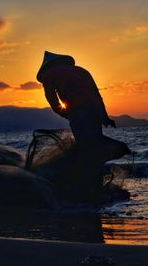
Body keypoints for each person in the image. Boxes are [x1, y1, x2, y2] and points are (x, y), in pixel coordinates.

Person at [37, 51, 116, 203]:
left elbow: (53, 100)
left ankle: (88, 188)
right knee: (95, 145)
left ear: (47, 67)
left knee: (84, 146)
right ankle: (96, 184)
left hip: (77, 109)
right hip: (94, 109)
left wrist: (67, 114)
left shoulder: (49, 75)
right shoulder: (82, 70)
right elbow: (97, 95)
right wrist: (104, 117)